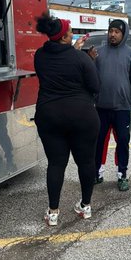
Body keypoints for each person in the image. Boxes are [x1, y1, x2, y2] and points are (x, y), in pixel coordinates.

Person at [33, 13, 100, 227]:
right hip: (82, 116)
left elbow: (58, 64)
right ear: (63, 37)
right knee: (86, 162)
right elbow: (95, 86)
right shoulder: (80, 58)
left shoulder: (40, 55)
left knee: (56, 163)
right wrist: (85, 57)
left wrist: (75, 49)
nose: (73, 34)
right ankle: (85, 206)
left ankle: (53, 212)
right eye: (71, 32)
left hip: (49, 116)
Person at [93, 18, 131, 194]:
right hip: (101, 108)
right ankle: (97, 173)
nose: (112, 35)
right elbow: (90, 79)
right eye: (110, 31)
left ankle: (122, 174)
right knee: (98, 142)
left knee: (123, 141)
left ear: (123, 34)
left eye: (117, 32)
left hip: (123, 108)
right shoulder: (98, 53)